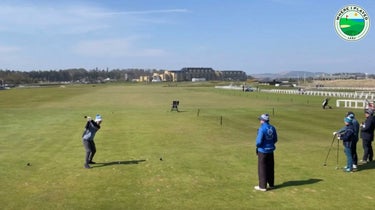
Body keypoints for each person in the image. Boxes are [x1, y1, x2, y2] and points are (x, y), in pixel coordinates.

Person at [254, 113, 278, 192]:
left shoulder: (261, 129)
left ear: (263, 120)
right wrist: (270, 144)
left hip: (262, 151)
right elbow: (275, 139)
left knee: (262, 168)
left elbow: (258, 141)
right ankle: (271, 184)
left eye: (261, 119)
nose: (260, 120)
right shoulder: (272, 128)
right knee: (270, 167)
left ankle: (262, 186)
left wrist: (258, 146)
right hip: (271, 151)